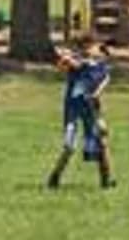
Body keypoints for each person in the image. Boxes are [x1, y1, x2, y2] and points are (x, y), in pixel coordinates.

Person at [47, 35, 115, 190]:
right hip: (73, 110)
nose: (90, 50)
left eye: (92, 46)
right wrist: (65, 58)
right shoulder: (77, 63)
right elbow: (64, 66)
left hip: (92, 109)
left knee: (102, 142)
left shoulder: (100, 65)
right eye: (86, 47)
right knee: (69, 147)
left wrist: (97, 92)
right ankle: (54, 177)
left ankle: (106, 180)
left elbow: (106, 79)